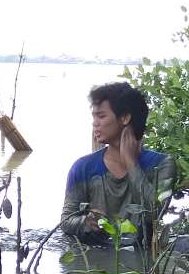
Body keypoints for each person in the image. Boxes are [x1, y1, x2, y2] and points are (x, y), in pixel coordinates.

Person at [61, 82, 175, 246]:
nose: (95, 123)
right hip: (95, 261)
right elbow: (66, 220)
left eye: (101, 116)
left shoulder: (162, 164)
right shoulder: (83, 167)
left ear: (125, 118)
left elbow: (154, 214)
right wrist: (86, 222)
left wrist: (130, 162)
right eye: (93, 116)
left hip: (141, 257)